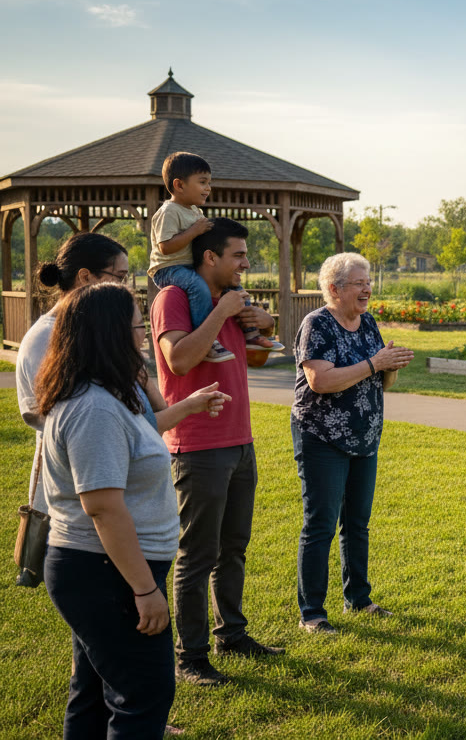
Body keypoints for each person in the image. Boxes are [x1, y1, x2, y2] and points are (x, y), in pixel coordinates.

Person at [37, 283, 225, 738]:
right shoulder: (93, 408)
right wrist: (144, 590)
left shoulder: (104, 395)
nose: (144, 336)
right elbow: (102, 507)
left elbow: (136, 436)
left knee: (95, 693)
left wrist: (190, 405)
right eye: (139, 327)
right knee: (143, 694)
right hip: (107, 573)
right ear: (110, 334)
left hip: (106, 569)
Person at [152, 217, 283, 686]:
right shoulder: (175, 298)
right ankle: (190, 657)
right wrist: (223, 312)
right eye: (238, 256)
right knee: (197, 553)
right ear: (210, 258)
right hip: (198, 445)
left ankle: (232, 633)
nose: (246, 265)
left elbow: (258, 352)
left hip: (240, 441)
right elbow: (180, 359)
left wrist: (264, 321)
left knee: (234, 548)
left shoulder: (231, 301)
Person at [292, 253, 414, 633]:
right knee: (321, 524)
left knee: (357, 523)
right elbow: (321, 382)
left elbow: (380, 382)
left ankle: (358, 600)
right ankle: (312, 613)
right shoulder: (317, 324)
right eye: (359, 283)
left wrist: (388, 366)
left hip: (365, 436)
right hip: (322, 436)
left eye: (368, 282)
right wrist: (375, 364)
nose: (367, 289)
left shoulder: (368, 323)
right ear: (334, 289)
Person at [17, 233, 130, 532]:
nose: (125, 288)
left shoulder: (87, 330)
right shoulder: (47, 336)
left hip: (100, 479)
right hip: (70, 492)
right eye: (119, 277)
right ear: (85, 277)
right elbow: (55, 414)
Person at [147, 151, 282, 363]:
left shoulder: (194, 212)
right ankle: (209, 341)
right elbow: (164, 247)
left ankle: (252, 334)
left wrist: (267, 325)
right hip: (170, 268)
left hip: (187, 267)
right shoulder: (169, 211)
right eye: (202, 182)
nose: (208, 188)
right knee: (197, 287)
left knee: (239, 292)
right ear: (179, 185)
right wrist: (193, 232)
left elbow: (255, 363)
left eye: (209, 182)